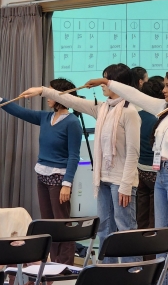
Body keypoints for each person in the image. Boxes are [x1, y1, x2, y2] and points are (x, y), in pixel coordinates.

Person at [80, 68, 168, 285]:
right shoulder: (165, 109)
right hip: (161, 175)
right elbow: (135, 96)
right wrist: (107, 82)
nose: (163, 89)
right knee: (161, 236)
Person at [20, 64, 141, 264]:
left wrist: (126, 185)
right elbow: (71, 99)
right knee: (105, 228)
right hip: (102, 178)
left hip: (122, 181)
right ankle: (108, 272)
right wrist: (43, 91)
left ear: (118, 84)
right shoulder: (102, 108)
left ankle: (134, 272)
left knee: (126, 227)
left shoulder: (130, 112)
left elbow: (132, 152)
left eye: (106, 80)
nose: (102, 85)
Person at [0, 78, 82, 265]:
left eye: (50, 92)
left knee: (62, 223)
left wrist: (67, 183)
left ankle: (65, 264)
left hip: (59, 178)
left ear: (59, 96)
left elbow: (74, 156)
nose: (47, 96)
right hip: (42, 175)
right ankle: (53, 262)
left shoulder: (72, 122)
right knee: (48, 222)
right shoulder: (46, 117)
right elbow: (20, 111)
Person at [136, 77, 165, 231]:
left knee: (141, 212)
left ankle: (140, 248)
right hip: (155, 171)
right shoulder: (159, 118)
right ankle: (152, 250)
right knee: (155, 214)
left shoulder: (137, 115)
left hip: (140, 169)